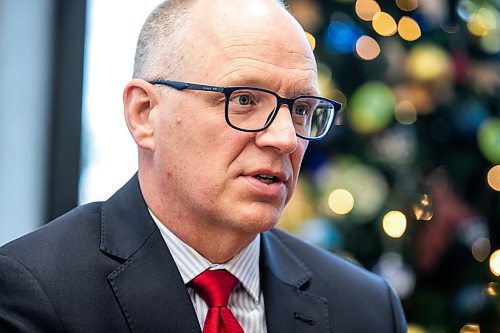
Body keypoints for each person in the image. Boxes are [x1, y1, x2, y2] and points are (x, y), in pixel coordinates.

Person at [0, 0, 406, 332]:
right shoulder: (34, 292)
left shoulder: (367, 309)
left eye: (301, 109)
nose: (286, 138)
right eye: (244, 100)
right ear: (145, 115)